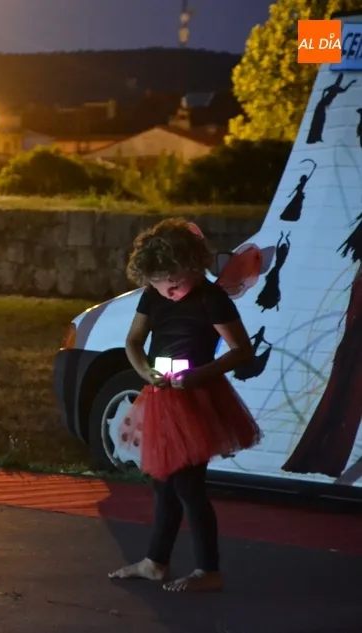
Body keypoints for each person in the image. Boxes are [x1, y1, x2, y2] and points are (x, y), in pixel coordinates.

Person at [108, 218, 262, 592]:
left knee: (189, 487)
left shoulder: (212, 299)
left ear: (193, 265)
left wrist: (201, 374)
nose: (167, 289)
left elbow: (243, 351)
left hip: (197, 399)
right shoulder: (152, 296)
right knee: (163, 484)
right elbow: (133, 341)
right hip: (161, 396)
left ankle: (208, 569)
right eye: (158, 283)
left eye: (173, 281)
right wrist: (145, 371)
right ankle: (155, 562)